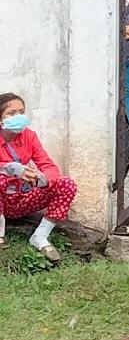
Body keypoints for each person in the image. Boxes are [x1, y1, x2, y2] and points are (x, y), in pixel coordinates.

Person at [0, 93, 78, 261]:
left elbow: (48, 166)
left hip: (23, 198)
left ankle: (40, 237)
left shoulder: (29, 136)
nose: (19, 117)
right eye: (12, 113)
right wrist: (9, 168)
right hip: (2, 201)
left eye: (21, 111)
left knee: (66, 184)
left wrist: (43, 179)